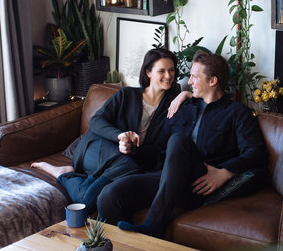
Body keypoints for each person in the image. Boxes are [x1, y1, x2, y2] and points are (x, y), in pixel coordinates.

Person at [97, 50, 267, 237]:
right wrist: (132, 149)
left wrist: (225, 173)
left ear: (212, 81)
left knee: (179, 140)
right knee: (110, 195)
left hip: (197, 184)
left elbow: (256, 152)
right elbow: (159, 149)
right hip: (165, 178)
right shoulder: (182, 107)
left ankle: (154, 225)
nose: (189, 82)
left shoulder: (237, 112)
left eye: (194, 77)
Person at [31, 48, 188, 214]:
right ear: (148, 72)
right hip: (96, 146)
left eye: (171, 70)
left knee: (90, 200)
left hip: (127, 161)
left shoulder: (172, 108)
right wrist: (120, 136)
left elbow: (162, 148)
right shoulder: (126, 95)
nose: (168, 75)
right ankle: (65, 173)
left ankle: (64, 174)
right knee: (128, 165)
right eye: (161, 71)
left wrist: (185, 94)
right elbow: (96, 122)